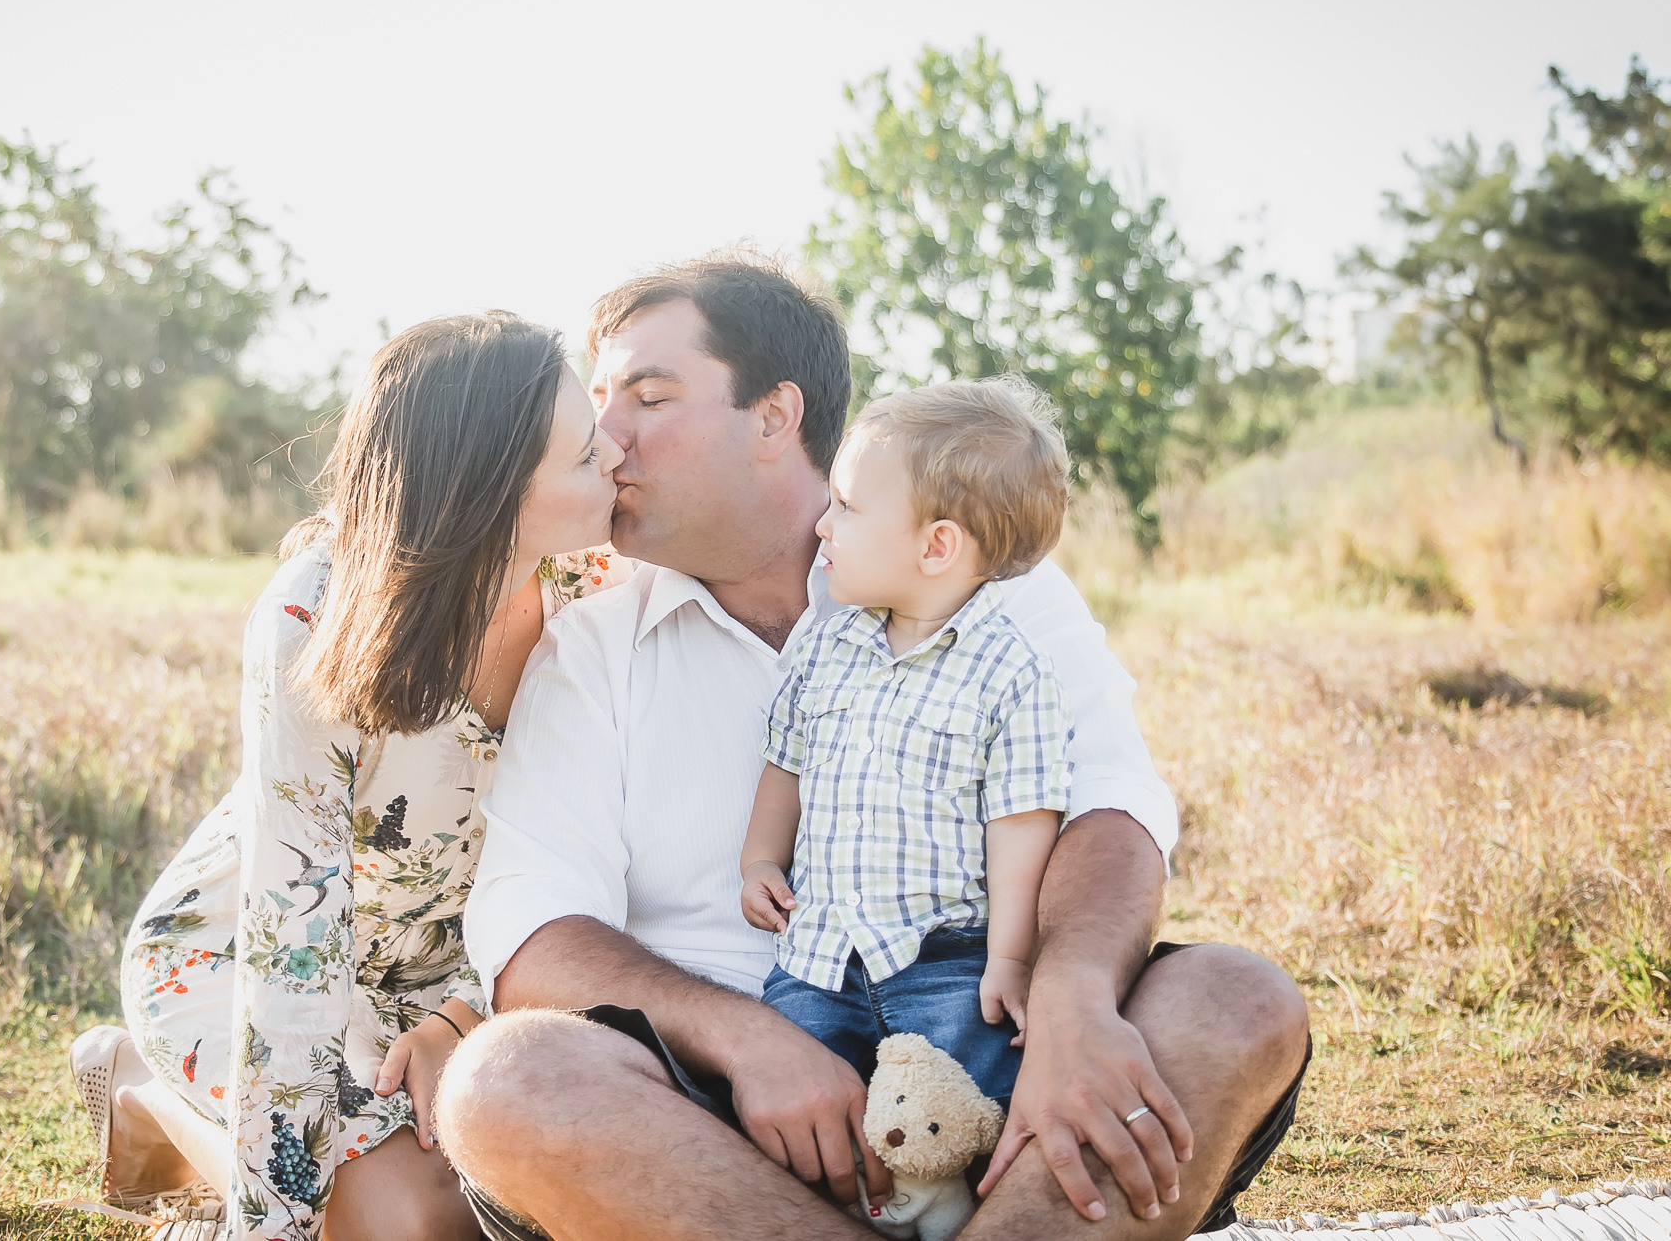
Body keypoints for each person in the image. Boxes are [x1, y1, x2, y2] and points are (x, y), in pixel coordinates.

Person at [435, 250, 1311, 1241]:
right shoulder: (588, 648)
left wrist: (1071, 999)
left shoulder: (985, 576)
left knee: (1233, 999)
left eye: (647, 394)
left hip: (990, 1077)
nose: (605, 436)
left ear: (774, 417)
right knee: (506, 1083)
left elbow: (1108, 800)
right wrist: (750, 1042)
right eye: (599, 401)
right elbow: (533, 927)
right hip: (714, 1136)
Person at [68, 312, 626, 1241]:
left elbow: (591, 860)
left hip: (455, 976)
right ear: (490, 495)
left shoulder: (597, 590)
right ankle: (142, 1087)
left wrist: (461, 1012)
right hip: (253, 954)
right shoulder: (313, 610)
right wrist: (270, 1223)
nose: (615, 453)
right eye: (582, 452)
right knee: (398, 1226)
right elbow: (295, 933)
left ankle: (157, 1109)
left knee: (447, 1212)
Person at [739, 378, 1076, 1124]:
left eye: (849, 508)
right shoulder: (826, 648)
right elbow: (786, 761)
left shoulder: (1009, 671)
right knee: (790, 1115)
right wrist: (760, 858)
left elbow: (1021, 824)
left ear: (937, 545)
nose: (823, 525)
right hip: (817, 960)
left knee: (967, 1112)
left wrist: (1010, 959)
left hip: (945, 960)